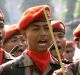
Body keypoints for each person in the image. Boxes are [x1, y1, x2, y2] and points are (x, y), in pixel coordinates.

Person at [0, 5, 58, 75]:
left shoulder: (62, 69)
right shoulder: (8, 70)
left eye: (47, 28)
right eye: (36, 29)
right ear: (24, 34)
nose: (43, 33)